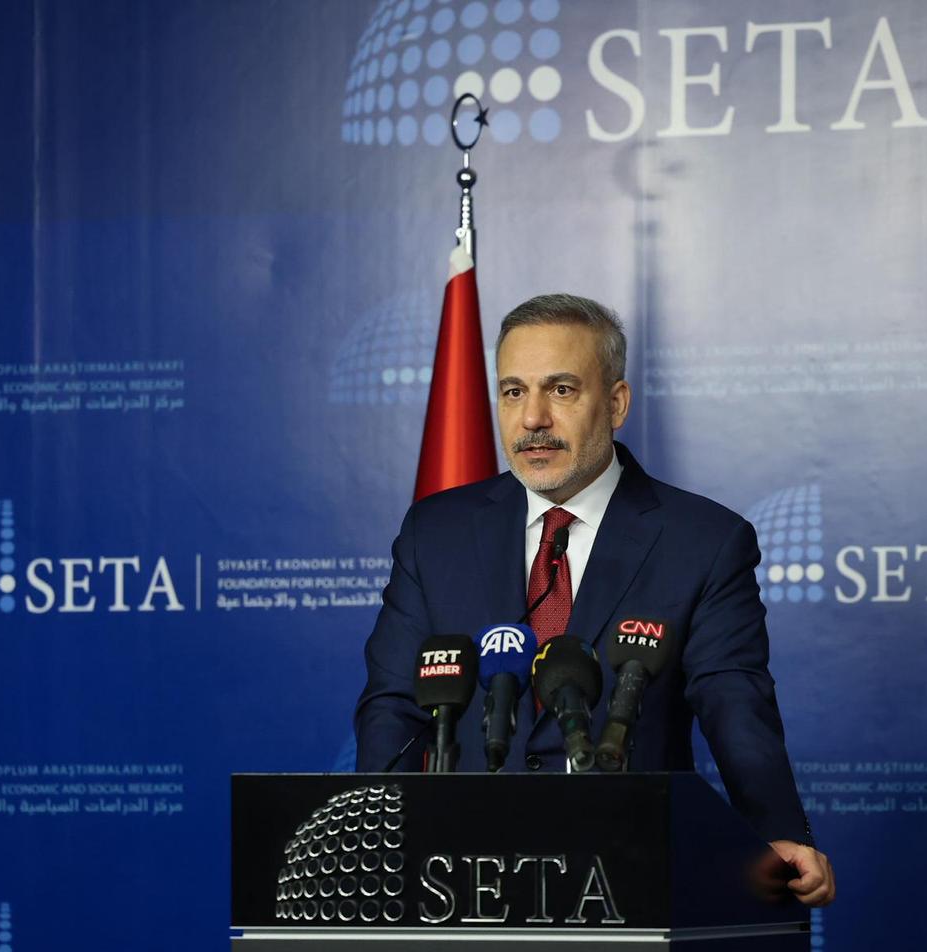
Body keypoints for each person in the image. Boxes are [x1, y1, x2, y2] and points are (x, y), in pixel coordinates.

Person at [355, 293, 834, 907]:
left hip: (630, 876)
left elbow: (732, 699)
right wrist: (378, 840)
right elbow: (394, 705)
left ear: (616, 403)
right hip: (460, 877)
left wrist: (777, 829)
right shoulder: (435, 532)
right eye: (512, 392)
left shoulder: (703, 541)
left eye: (560, 390)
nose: (532, 419)